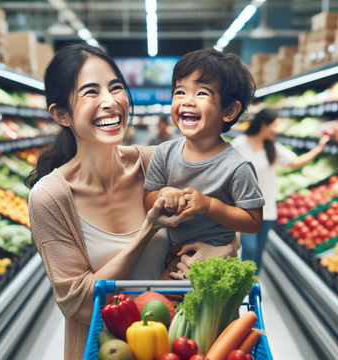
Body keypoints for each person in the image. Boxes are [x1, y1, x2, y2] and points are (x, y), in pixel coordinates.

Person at [25, 43, 196, 360]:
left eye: (115, 87)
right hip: (106, 351)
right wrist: (148, 232)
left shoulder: (161, 163)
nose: (111, 101)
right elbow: (84, 306)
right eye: (91, 92)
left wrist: (204, 256)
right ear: (61, 114)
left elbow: (224, 233)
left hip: (179, 348)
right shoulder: (50, 197)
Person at [143, 48, 266, 280]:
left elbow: (253, 222)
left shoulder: (237, 167)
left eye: (201, 93)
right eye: (180, 92)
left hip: (219, 263)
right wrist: (164, 194)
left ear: (229, 111)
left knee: (213, 313)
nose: (187, 100)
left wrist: (210, 205)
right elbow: (148, 198)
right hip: (175, 257)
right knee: (168, 311)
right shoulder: (164, 153)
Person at [232, 107, 330, 272]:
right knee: (250, 249)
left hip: (268, 210)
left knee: (259, 254)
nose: (276, 130)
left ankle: (253, 286)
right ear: (264, 124)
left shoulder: (273, 147)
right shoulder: (239, 144)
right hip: (245, 209)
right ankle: (245, 285)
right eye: (275, 126)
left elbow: (296, 162)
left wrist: (319, 149)